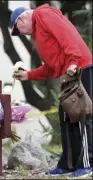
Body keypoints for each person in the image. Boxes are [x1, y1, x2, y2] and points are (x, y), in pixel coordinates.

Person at [10, 4, 92, 178]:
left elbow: (67, 35)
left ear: (22, 19)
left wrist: (73, 62)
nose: (21, 34)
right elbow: (50, 67)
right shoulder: (38, 31)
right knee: (66, 119)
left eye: (18, 29)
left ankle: (87, 163)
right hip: (67, 74)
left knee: (81, 116)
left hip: (79, 68)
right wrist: (29, 75)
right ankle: (67, 165)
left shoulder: (43, 14)